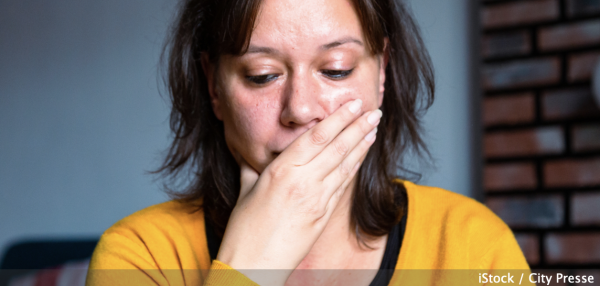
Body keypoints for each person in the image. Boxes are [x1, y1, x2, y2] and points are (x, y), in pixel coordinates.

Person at [86, 0, 531, 285]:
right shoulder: (140, 254)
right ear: (213, 86)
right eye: (262, 76)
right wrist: (250, 266)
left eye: (335, 68)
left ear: (382, 73)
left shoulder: (471, 245)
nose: (300, 108)